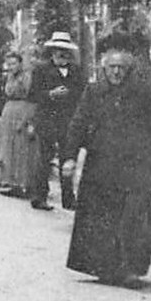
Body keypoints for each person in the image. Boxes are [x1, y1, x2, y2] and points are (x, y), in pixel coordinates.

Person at [60, 42, 151, 289]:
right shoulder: (94, 92)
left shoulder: (143, 93)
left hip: (136, 166)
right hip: (101, 165)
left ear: (129, 69)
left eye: (121, 68)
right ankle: (104, 267)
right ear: (104, 69)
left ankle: (130, 269)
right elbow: (78, 124)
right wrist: (69, 156)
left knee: (133, 218)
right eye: (112, 67)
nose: (116, 73)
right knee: (101, 218)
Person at [30, 32, 85, 210]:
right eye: (59, 50)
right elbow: (33, 94)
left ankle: (68, 199)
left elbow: (83, 95)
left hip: (67, 121)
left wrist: (71, 95)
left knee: (67, 158)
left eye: (65, 51)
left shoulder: (76, 71)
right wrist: (50, 95)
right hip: (46, 119)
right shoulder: (41, 69)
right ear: (52, 51)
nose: (62, 54)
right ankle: (39, 197)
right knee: (44, 158)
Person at [0, 49, 42, 202]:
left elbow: (31, 96)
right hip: (9, 113)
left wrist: (28, 118)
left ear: (20, 63)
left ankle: (23, 183)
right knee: (9, 147)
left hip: (23, 110)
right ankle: (12, 183)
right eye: (9, 64)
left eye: (14, 63)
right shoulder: (8, 78)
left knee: (22, 147)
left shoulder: (26, 77)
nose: (11, 66)